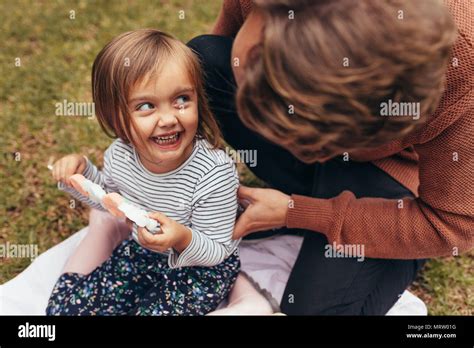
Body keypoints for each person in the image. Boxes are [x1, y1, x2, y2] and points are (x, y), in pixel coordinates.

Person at [186, 0, 473, 314]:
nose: (293, 148)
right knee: (205, 61)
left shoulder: (462, 67)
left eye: (311, 139)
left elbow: (451, 224)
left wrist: (300, 213)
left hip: (387, 174)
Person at [47, 29, 243, 315]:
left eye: (182, 100)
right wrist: (80, 175)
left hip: (200, 268)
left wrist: (181, 238)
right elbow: (112, 201)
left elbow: (217, 250)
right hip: (143, 253)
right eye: (146, 106)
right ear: (115, 116)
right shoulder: (120, 155)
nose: (168, 119)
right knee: (67, 310)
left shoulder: (214, 173)